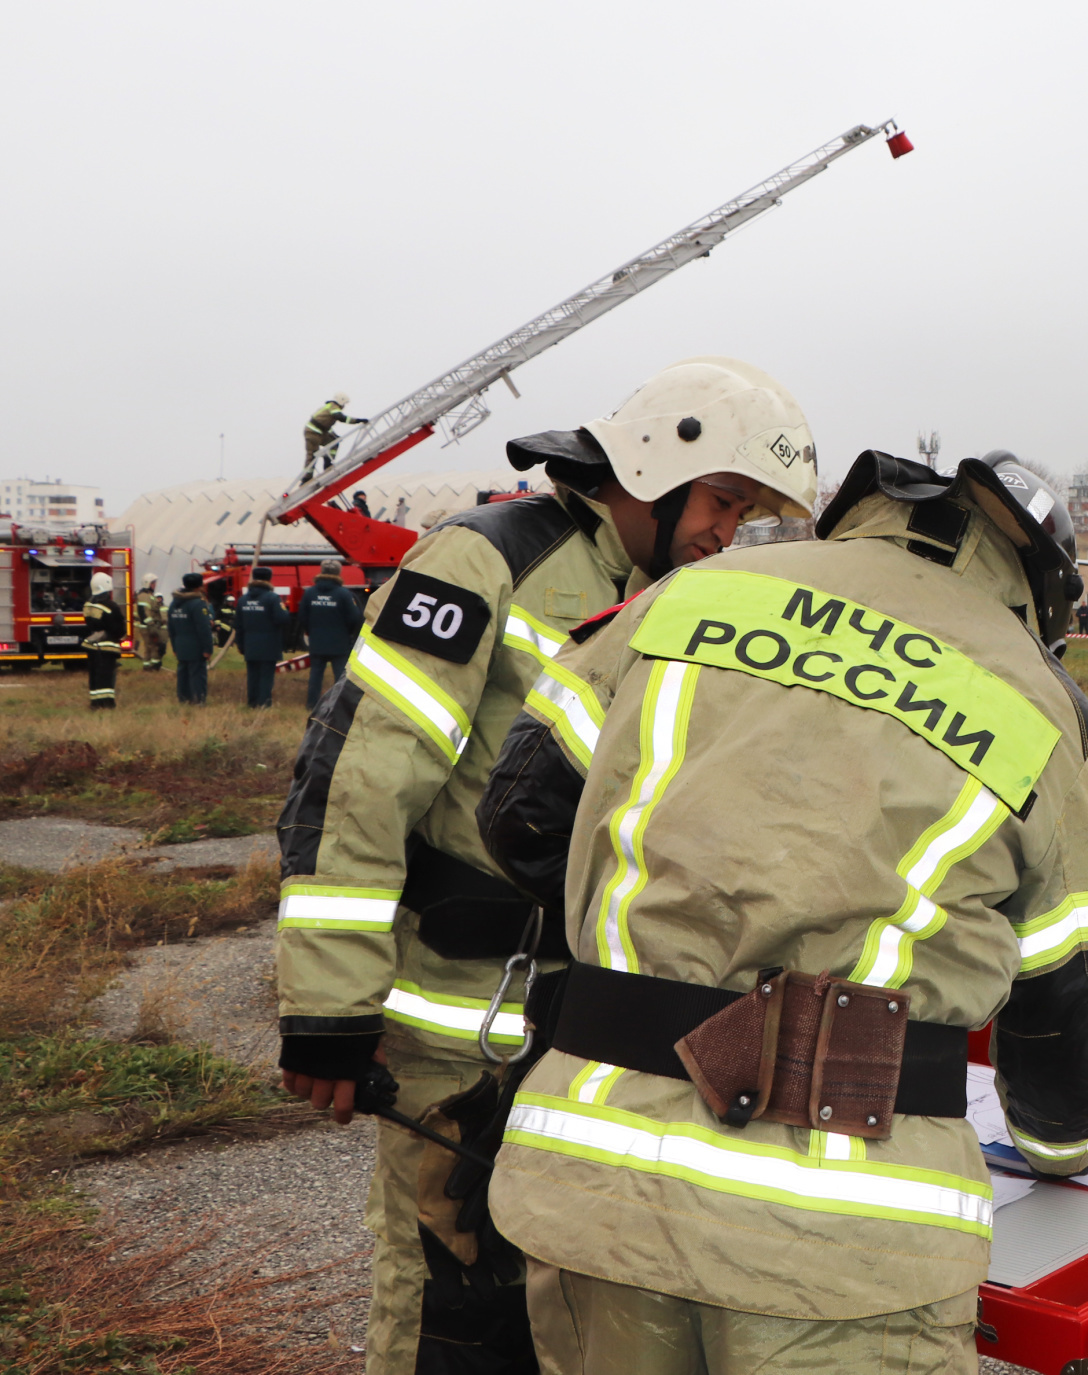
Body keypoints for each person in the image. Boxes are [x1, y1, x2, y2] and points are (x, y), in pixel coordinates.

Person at [474, 449, 1088, 1375]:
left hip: (596, 1187)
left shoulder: (687, 597)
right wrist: (1058, 1148)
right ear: (1038, 588)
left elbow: (520, 813)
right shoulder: (1042, 701)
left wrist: (665, 960)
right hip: (846, 1246)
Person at [274, 357, 820, 1375]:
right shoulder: (484, 561)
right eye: (724, 501)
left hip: (595, 1015)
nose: (725, 532)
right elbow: (356, 785)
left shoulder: (684, 598)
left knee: (570, 1287)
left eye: (744, 515)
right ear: (659, 461)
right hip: (457, 1016)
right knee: (449, 1292)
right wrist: (329, 1009)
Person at [301, 559, 363, 710]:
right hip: (339, 643)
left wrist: (311, 632)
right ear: (338, 573)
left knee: (315, 676)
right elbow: (355, 618)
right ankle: (338, 706)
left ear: (321, 571)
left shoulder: (310, 593)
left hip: (317, 642)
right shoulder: (343, 594)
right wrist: (347, 633)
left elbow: (302, 618)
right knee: (340, 677)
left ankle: (312, 704)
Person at [234, 568, 291, 708]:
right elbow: (282, 618)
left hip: (250, 644)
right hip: (269, 643)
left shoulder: (243, 600)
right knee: (266, 675)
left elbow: (238, 625)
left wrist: (241, 645)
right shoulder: (272, 598)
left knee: (252, 674)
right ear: (269, 579)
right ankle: (264, 703)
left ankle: (252, 702)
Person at [167, 573, 214, 705]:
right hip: (196, 646)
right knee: (197, 675)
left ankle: (183, 699)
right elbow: (203, 628)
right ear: (199, 587)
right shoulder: (198, 604)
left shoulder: (174, 603)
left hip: (180, 645)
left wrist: (175, 647)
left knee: (183, 674)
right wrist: (207, 649)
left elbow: (171, 627)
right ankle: (198, 700)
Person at [81, 571, 122, 709]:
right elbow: (119, 629)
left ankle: (95, 703)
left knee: (94, 675)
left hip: (91, 646)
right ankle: (107, 703)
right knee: (106, 676)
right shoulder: (111, 606)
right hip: (107, 647)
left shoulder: (87, 605)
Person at [304, 393, 368, 476]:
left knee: (334, 443)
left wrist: (334, 435)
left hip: (320, 432)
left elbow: (326, 426)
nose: (344, 406)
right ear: (341, 401)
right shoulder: (333, 407)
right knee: (312, 454)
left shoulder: (330, 407)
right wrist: (358, 420)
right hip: (312, 433)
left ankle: (328, 462)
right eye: (344, 404)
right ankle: (307, 477)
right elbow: (341, 418)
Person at [134, 573, 168, 670]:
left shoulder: (148, 595)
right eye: (153, 583)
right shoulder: (144, 596)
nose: (155, 585)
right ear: (147, 583)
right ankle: (154, 667)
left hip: (150, 625)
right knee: (153, 647)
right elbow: (144, 613)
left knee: (150, 647)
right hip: (148, 626)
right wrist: (152, 625)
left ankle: (148, 667)